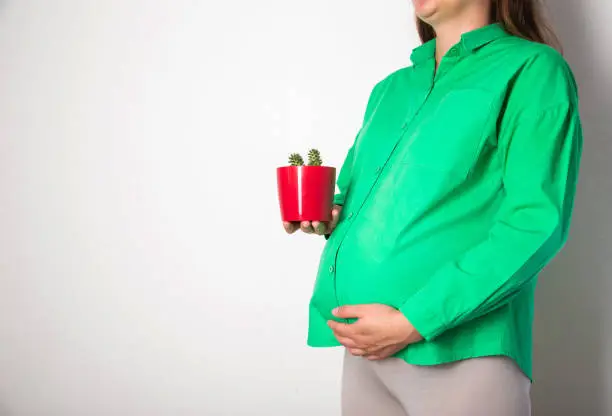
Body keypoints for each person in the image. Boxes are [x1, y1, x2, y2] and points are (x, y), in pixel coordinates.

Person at [283, 0, 582, 414]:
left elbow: (534, 223)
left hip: (460, 355)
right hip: (363, 350)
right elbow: (354, 193)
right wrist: (328, 213)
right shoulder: (390, 89)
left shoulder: (532, 69)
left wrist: (412, 322)